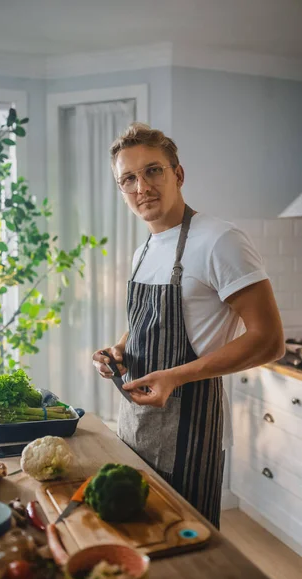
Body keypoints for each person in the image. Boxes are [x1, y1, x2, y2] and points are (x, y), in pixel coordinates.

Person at [92, 123, 285, 529]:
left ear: (178, 174)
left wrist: (175, 378)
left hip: (190, 432)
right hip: (137, 423)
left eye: (153, 171)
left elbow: (270, 341)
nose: (141, 186)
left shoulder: (220, 240)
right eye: (128, 178)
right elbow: (147, 322)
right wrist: (120, 349)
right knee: (140, 537)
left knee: (185, 550)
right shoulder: (143, 250)